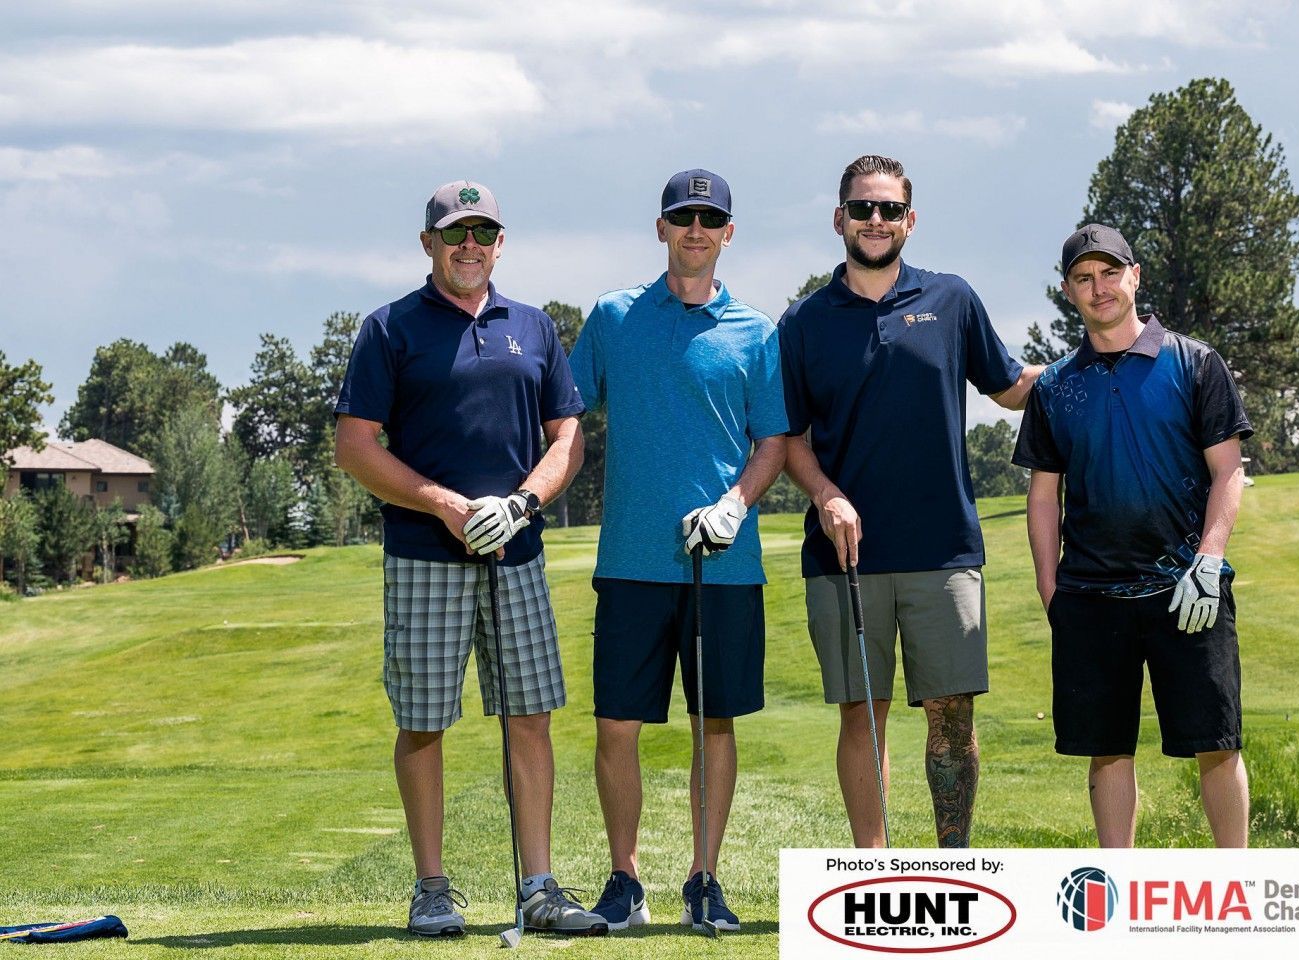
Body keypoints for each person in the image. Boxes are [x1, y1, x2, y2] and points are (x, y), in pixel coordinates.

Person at [334, 180, 607, 935]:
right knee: (423, 721)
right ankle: (431, 888)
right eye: (455, 234)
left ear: (499, 242)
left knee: (530, 715)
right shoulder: (389, 329)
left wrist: (521, 504)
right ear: (428, 244)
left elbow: (567, 439)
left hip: (516, 554)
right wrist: (447, 506)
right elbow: (354, 446)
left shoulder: (534, 327)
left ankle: (540, 888)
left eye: (483, 233)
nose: (469, 247)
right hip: (425, 553)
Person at [779, 155, 1041, 848]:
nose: (874, 220)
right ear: (839, 218)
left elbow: (1011, 387)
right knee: (861, 713)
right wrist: (826, 495)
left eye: (888, 209)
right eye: (862, 208)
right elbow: (789, 439)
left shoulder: (951, 300)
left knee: (952, 715)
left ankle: (951, 862)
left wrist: (1104, 360)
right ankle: (873, 867)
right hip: (844, 556)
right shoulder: (805, 320)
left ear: (909, 220)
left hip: (942, 549)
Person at [568, 168, 788, 932]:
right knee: (616, 726)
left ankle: (704, 878)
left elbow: (774, 443)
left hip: (723, 562)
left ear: (728, 233)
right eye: (681, 217)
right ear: (660, 228)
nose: (695, 229)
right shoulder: (614, 316)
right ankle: (624, 880)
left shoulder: (756, 332)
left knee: (714, 723)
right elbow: (563, 412)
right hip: (630, 559)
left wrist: (733, 506)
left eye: (709, 218)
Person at [1011, 223, 1251, 847]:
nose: (1100, 289)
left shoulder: (1194, 363)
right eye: (1084, 279)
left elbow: (1228, 470)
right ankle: (1115, 895)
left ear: (1134, 276)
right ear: (1068, 291)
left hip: (1188, 590)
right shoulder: (1057, 385)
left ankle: (1240, 888)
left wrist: (1210, 558)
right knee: (1107, 749)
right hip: (1091, 595)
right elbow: (1043, 496)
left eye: (1110, 273)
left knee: (1217, 744)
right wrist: (1051, 588)